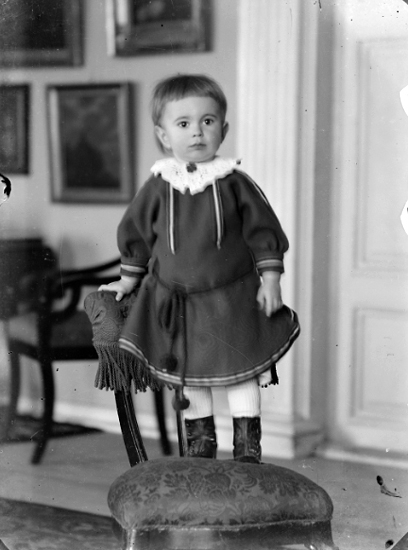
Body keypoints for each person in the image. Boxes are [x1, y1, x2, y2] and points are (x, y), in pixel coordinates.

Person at [99, 74, 300, 463]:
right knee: (190, 376)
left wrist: (271, 279)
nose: (197, 132)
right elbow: (137, 234)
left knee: (241, 369)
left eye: (208, 121)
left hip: (233, 298)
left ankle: (247, 450)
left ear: (223, 130)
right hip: (178, 303)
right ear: (163, 135)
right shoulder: (158, 186)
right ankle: (200, 449)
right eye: (183, 123)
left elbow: (264, 232)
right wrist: (127, 280)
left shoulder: (234, 182)